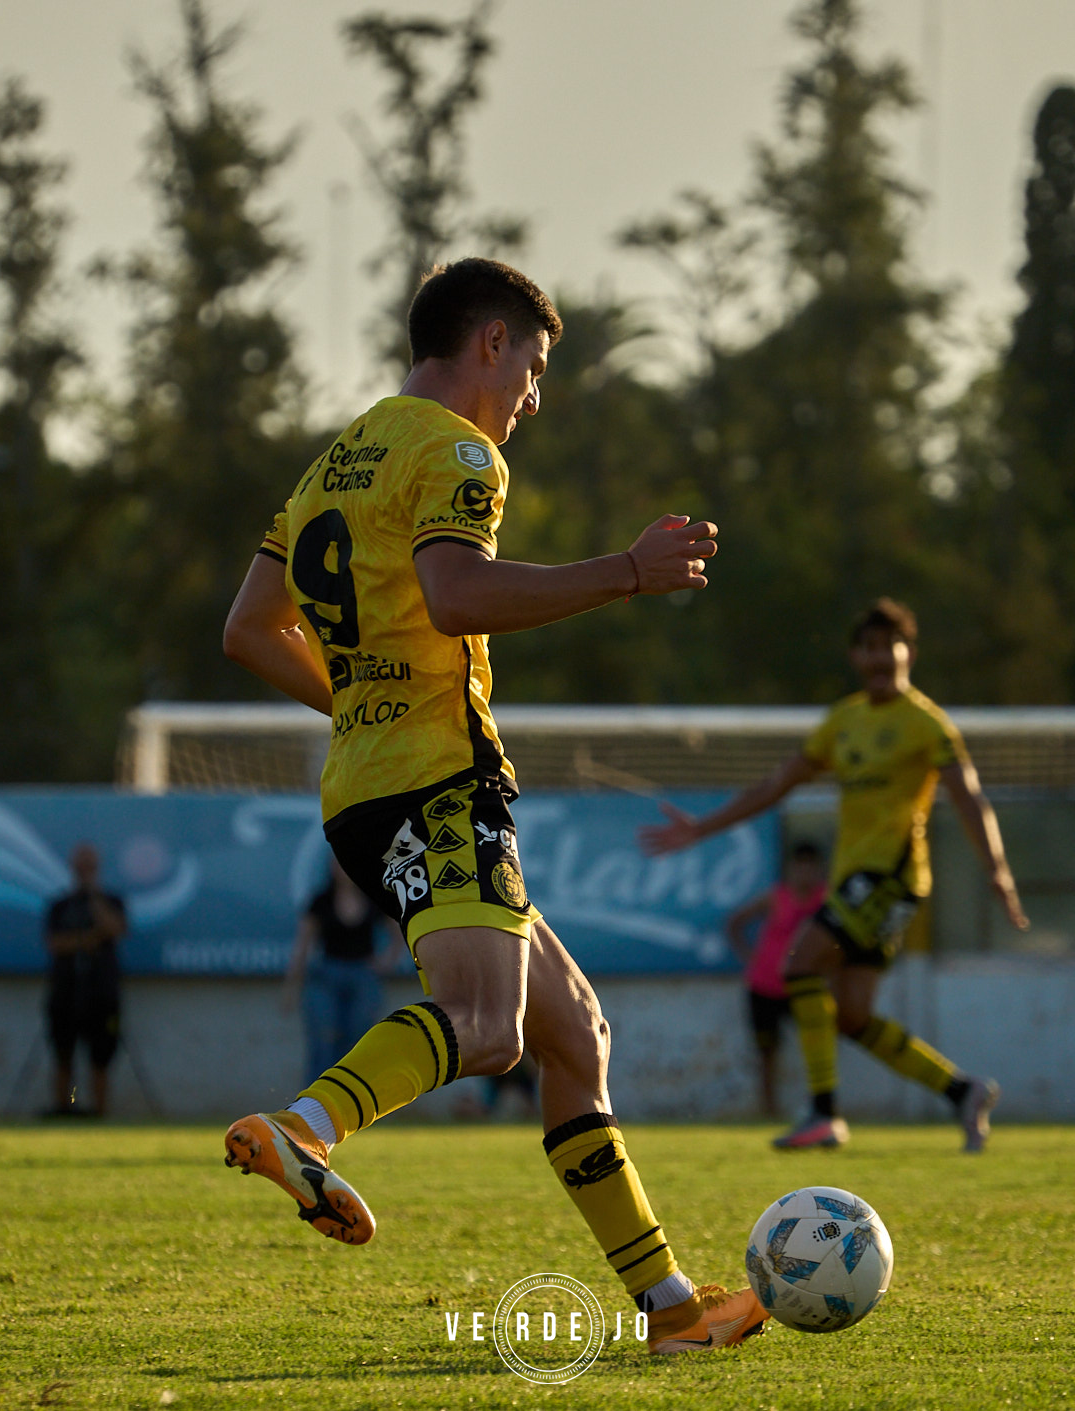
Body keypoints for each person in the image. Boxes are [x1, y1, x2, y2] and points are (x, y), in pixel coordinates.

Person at [220, 257, 768, 1355]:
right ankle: (302, 1125)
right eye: (534, 362)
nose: (532, 393)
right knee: (487, 1028)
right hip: (436, 779)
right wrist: (624, 569)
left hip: (367, 784)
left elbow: (247, 627)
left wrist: (363, 702)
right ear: (489, 342)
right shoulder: (457, 453)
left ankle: (667, 1310)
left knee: (574, 1034)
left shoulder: (337, 458)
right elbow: (455, 592)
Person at [641, 598, 1027, 1154]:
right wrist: (703, 828)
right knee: (852, 1016)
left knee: (798, 963)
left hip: (890, 878)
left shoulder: (925, 723)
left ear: (908, 653)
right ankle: (962, 1091)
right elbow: (776, 785)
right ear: (855, 655)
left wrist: (998, 870)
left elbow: (969, 797)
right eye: (868, 647)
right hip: (856, 880)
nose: (878, 657)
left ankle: (823, 1114)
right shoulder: (843, 721)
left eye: (888, 646)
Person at [726, 841, 828, 1117]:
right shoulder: (777, 897)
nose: (804, 874)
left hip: (804, 984)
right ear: (792, 869)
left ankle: (820, 1108)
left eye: (810, 868)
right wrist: (749, 956)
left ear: (818, 870)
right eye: (799, 867)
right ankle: (768, 1109)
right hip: (764, 985)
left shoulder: (825, 901)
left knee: (816, 1046)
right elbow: (735, 922)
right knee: (767, 1051)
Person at [283, 860, 403, 1085]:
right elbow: (302, 946)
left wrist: (386, 962)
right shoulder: (321, 900)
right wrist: (292, 989)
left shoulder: (373, 898)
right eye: (337, 865)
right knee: (323, 1040)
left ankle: (352, 1105)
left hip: (363, 977)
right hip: (326, 975)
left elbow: (397, 934)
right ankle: (312, 1106)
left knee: (358, 1042)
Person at [43, 844, 127, 1117]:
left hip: (102, 993)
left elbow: (114, 928)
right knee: (63, 1055)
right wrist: (88, 940)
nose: (84, 872)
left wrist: (93, 897)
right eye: (81, 866)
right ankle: (63, 1109)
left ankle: (99, 1113)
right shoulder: (60, 905)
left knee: (100, 1058)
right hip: (65, 992)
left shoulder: (112, 901)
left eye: (89, 866)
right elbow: (55, 943)